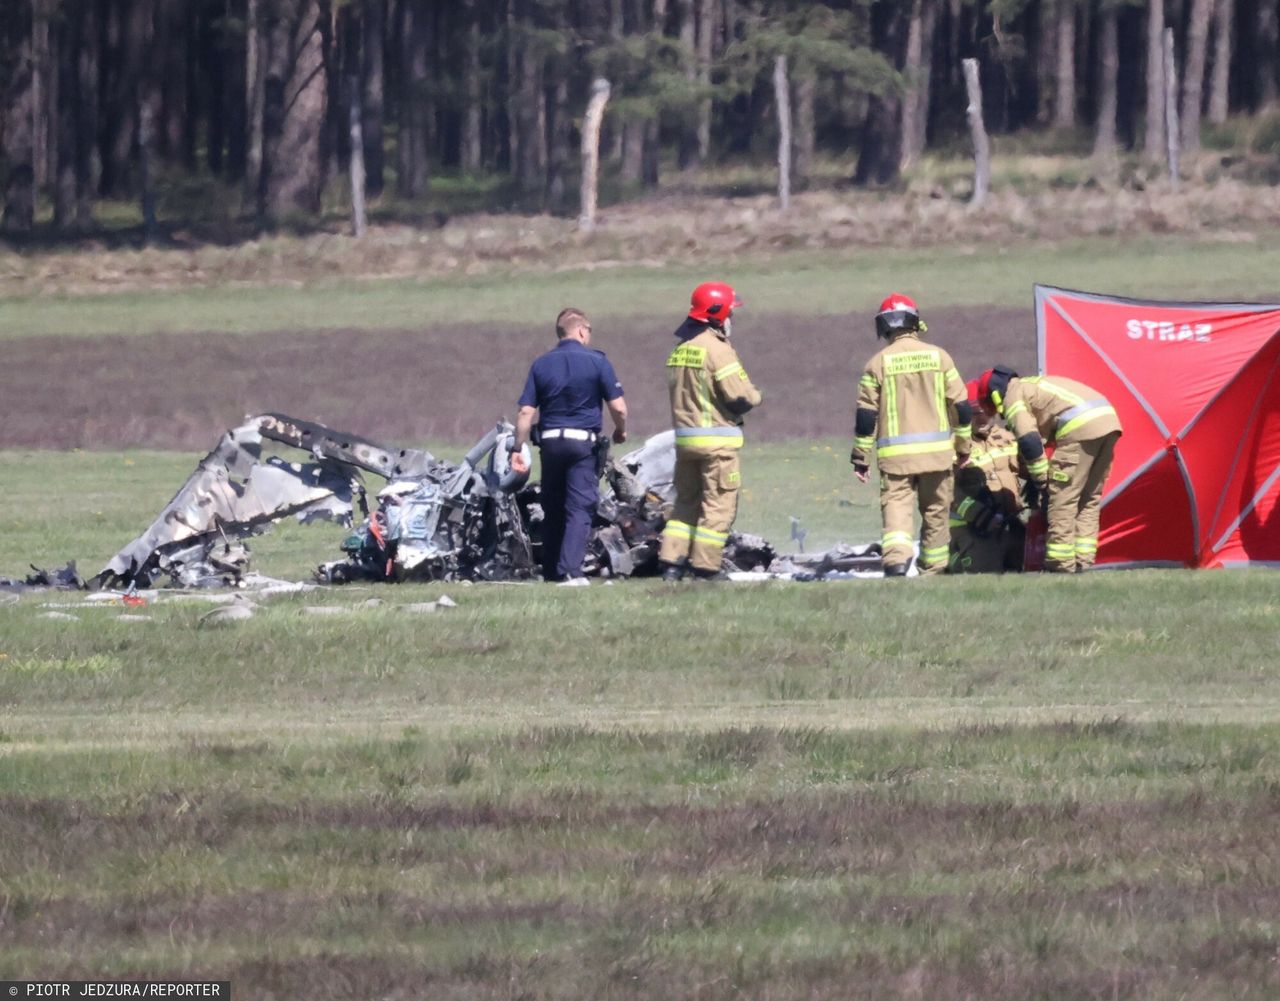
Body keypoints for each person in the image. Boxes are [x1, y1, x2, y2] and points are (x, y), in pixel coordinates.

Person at [850, 294, 971, 577]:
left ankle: (895, 562)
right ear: (914, 321)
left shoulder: (876, 364)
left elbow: (866, 417)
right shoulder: (939, 357)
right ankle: (934, 568)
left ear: (884, 326)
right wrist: (964, 447)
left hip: (896, 461)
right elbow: (962, 407)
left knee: (896, 512)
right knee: (936, 514)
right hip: (938, 457)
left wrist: (860, 458)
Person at [511, 308, 628, 586]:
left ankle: (551, 570)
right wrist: (620, 431)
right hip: (581, 445)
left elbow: (526, 413)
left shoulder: (541, 364)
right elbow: (619, 408)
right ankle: (570, 572)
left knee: (553, 506)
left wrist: (517, 447)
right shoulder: (597, 362)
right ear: (581, 331)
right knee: (580, 506)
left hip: (549, 445)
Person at [657, 281, 762, 582]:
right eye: (731, 313)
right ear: (718, 315)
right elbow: (739, 397)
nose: (732, 319)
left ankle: (671, 564)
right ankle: (705, 568)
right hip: (717, 445)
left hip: (686, 445)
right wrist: (757, 395)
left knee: (685, 506)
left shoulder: (681, 350)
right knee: (717, 506)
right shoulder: (717, 350)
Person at [976, 365, 1122, 573]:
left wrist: (1041, 481)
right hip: (1108, 422)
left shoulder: (1012, 395)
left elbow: (1029, 440)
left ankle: (1059, 564)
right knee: (1088, 497)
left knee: (1063, 498)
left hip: (1080, 427)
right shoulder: (1033, 385)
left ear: (995, 396)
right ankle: (1083, 561)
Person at [949, 380, 1025, 573]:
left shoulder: (1008, 438)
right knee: (986, 572)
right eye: (975, 413)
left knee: (1028, 565)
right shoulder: (954, 446)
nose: (982, 419)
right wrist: (982, 516)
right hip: (974, 526)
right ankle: (953, 558)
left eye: (987, 412)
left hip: (1011, 522)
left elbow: (1028, 468)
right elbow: (948, 493)